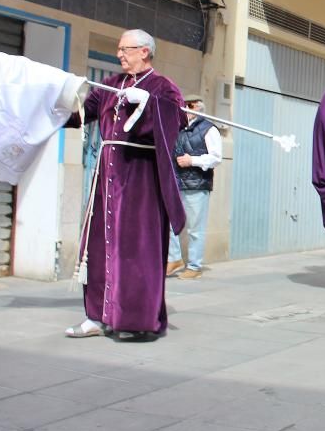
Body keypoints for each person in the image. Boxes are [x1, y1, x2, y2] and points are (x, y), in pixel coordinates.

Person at [64, 29, 186, 340]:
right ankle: (96, 316)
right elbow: (82, 114)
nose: (120, 54)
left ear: (145, 51)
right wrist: (57, 97)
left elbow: (175, 124)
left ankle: (138, 320)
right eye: (119, 49)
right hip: (107, 180)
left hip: (141, 182)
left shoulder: (164, 87)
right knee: (99, 248)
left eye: (126, 49)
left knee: (138, 251)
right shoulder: (111, 84)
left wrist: (150, 104)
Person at [167, 94, 222, 280]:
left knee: (195, 229)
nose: (184, 108)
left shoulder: (209, 129)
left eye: (188, 105)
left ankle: (194, 266)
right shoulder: (180, 128)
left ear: (197, 107)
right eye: (183, 104)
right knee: (170, 223)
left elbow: (216, 157)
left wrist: (193, 160)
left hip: (197, 185)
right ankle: (174, 259)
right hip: (177, 183)